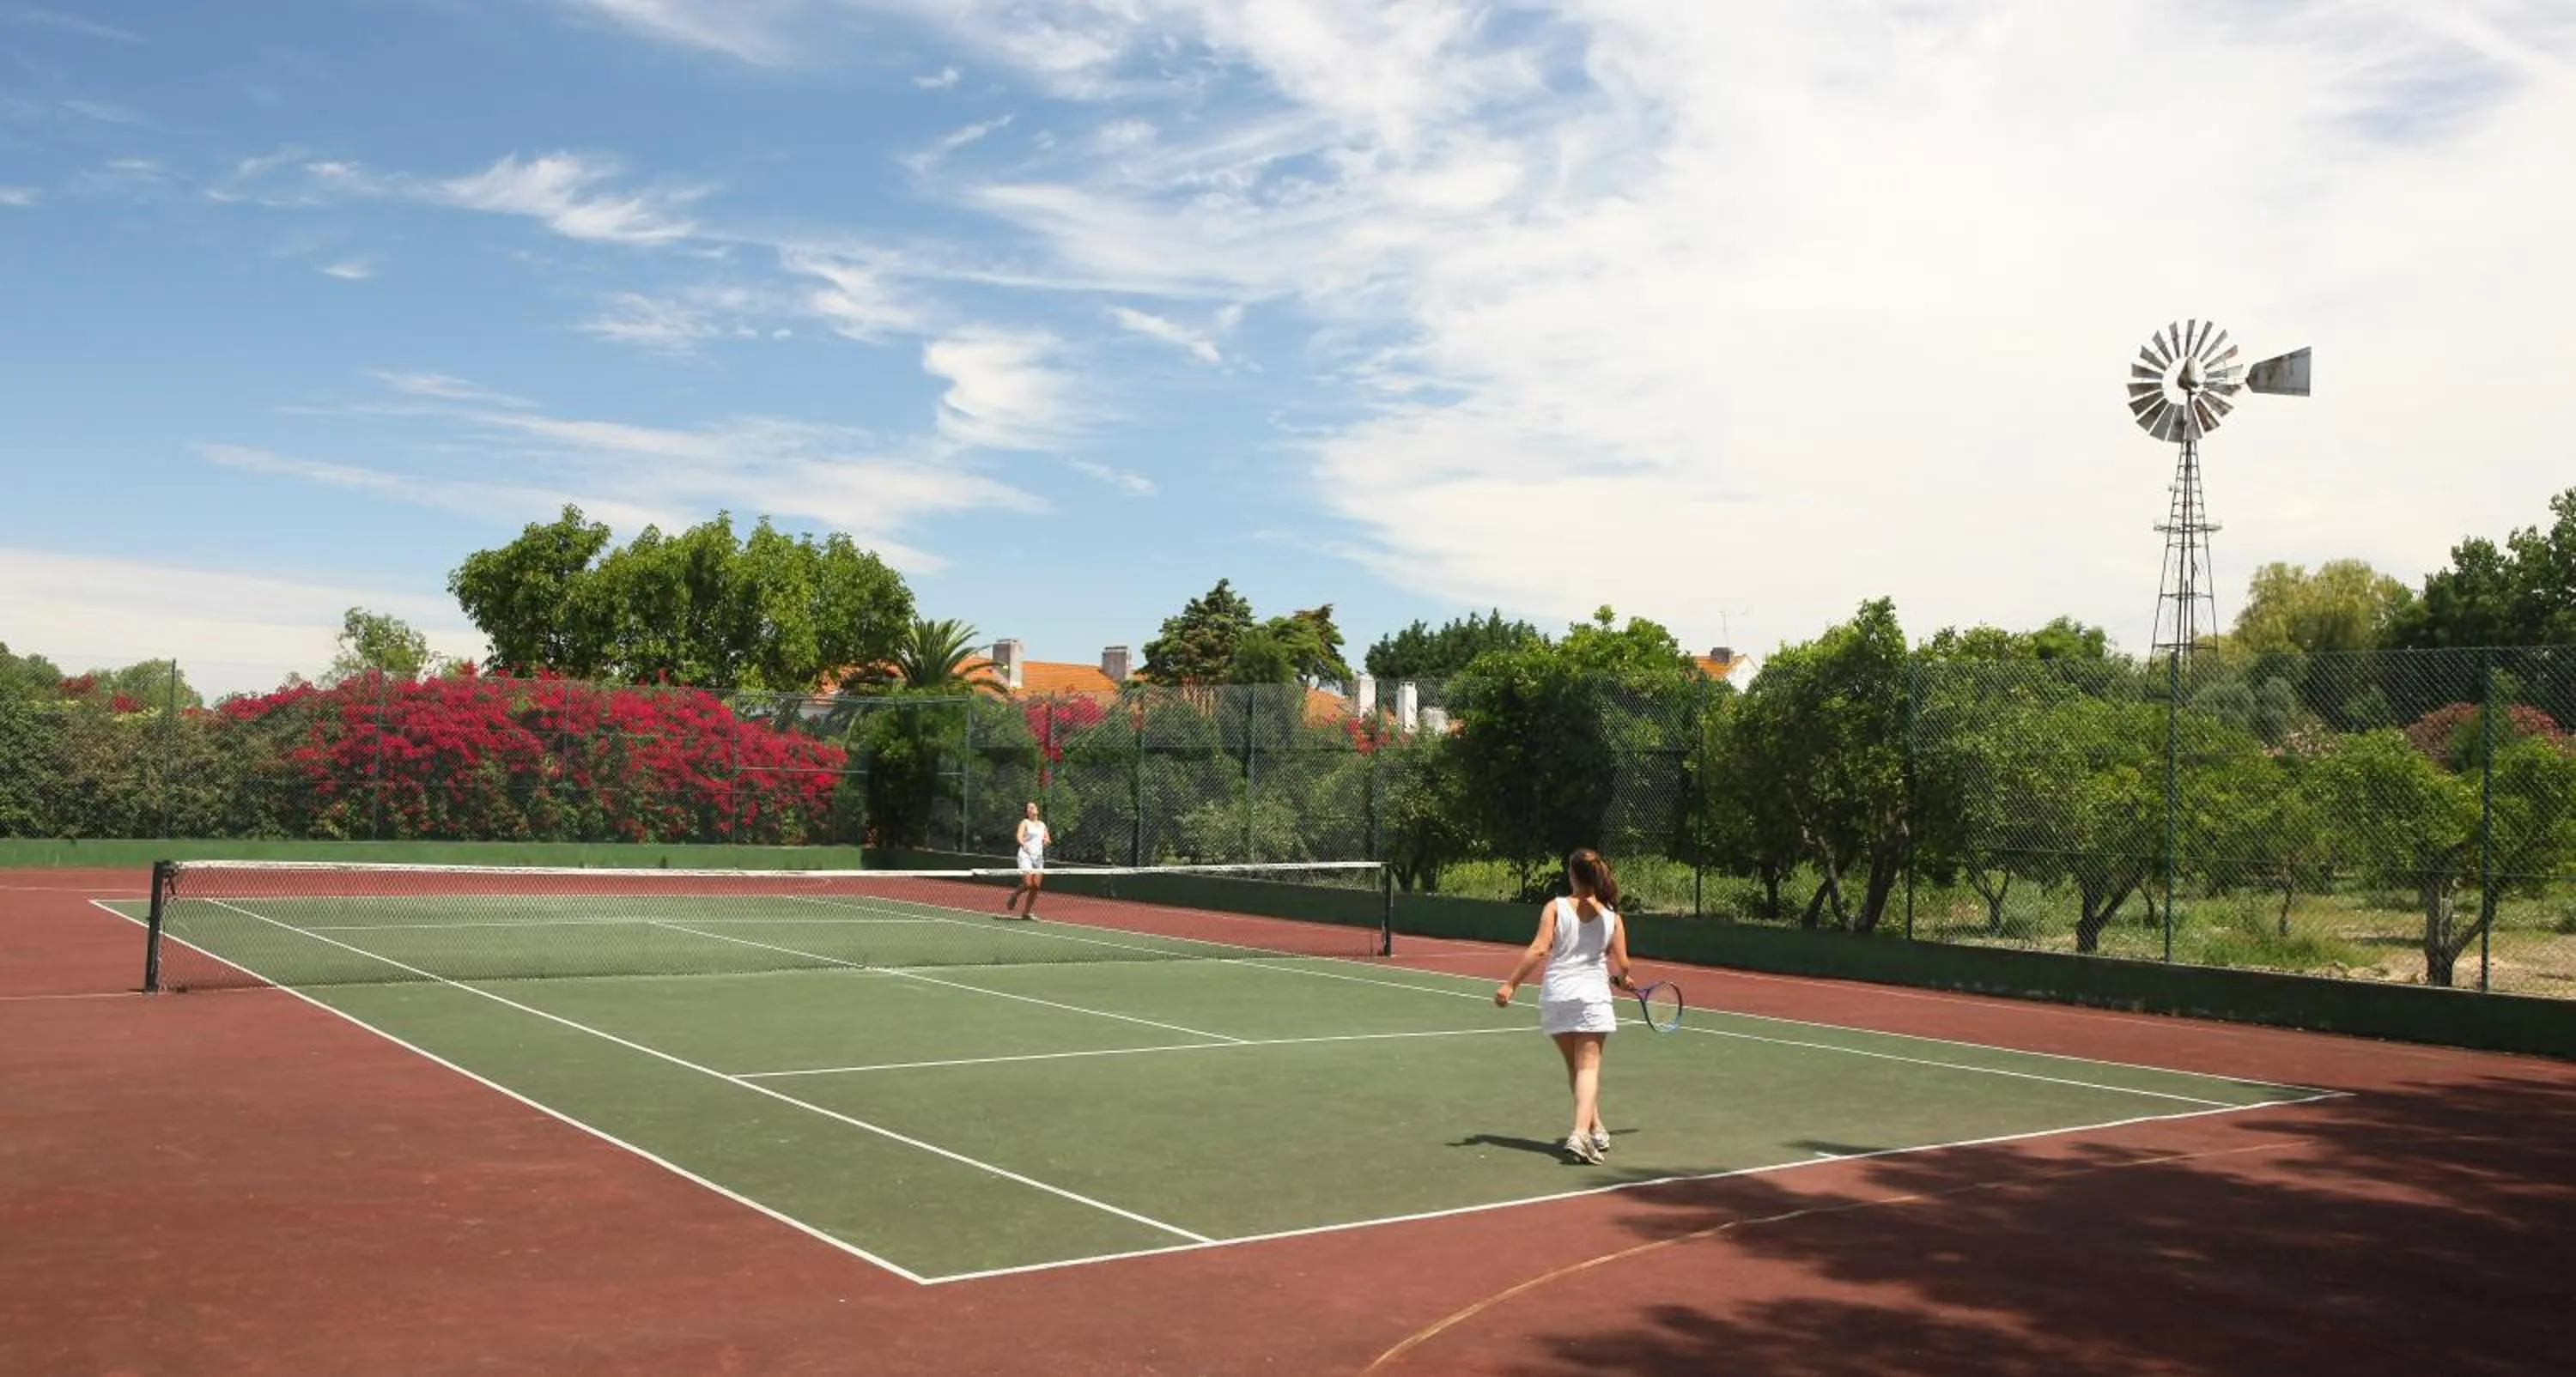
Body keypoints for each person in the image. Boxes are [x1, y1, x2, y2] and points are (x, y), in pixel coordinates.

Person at [1493, 847, 1632, 1163]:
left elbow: (1539, 949)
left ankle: (1596, 1128)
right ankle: (1580, 1134)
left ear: (1572, 874)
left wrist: (1511, 984)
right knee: (1588, 1069)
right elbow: (1623, 967)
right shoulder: (1613, 918)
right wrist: (1624, 980)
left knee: (1577, 1068)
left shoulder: (1554, 907)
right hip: (1592, 997)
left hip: (1557, 995)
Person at [1005, 801, 1051, 919]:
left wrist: (1046, 841)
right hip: (1025, 856)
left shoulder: (1042, 825)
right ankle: (1014, 895)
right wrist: (1023, 844)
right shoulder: (1025, 822)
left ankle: (1026, 912)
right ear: (1027, 812)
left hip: (1038, 858)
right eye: (1030, 807)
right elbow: (1019, 836)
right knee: (1028, 883)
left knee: (1036, 886)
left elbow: (1047, 838)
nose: (1034, 808)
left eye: (1034, 806)